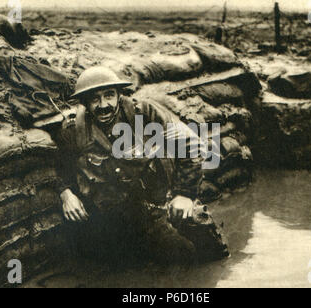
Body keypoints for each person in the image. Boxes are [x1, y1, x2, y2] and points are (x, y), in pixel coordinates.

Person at [53, 66, 227, 265]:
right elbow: (59, 167)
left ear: (119, 95)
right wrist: (65, 193)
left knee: (198, 246)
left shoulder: (145, 114)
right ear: (85, 102)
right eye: (95, 99)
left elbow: (192, 146)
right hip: (115, 216)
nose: (103, 105)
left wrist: (185, 194)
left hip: (158, 204)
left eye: (109, 95)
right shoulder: (74, 132)